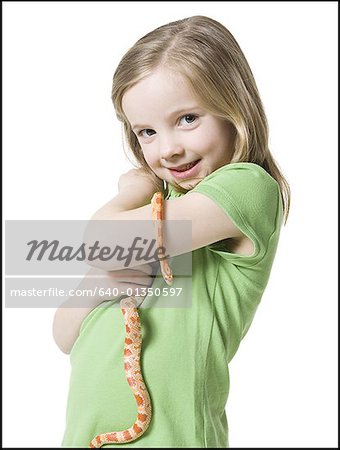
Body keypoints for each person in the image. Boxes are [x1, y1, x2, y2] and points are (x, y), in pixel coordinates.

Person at [53, 15, 290, 448]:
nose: (168, 148)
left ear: (233, 108)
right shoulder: (160, 210)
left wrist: (131, 191)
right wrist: (98, 283)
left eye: (186, 118)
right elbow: (65, 337)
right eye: (147, 131)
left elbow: (101, 242)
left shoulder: (246, 188)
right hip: (88, 437)